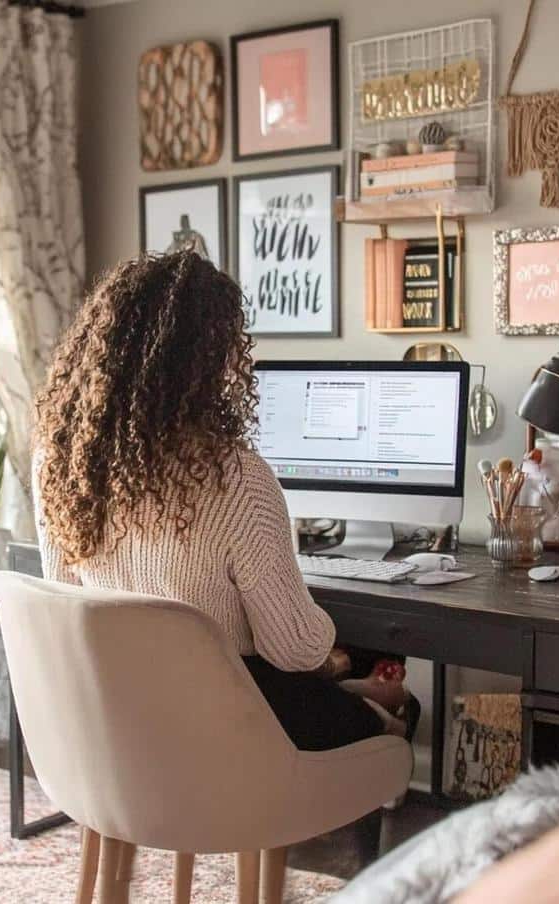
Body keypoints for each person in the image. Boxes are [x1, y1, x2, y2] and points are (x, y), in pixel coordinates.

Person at [31, 250, 416, 751]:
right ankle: (381, 725)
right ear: (209, 362)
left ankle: (362, 698)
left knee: (301, 686)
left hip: (121, 727)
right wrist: (334, 654)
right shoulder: (236, 480)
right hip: (228, 737)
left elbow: (66, 602)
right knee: (393, 714)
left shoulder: (60, 463)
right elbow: (294, 649)